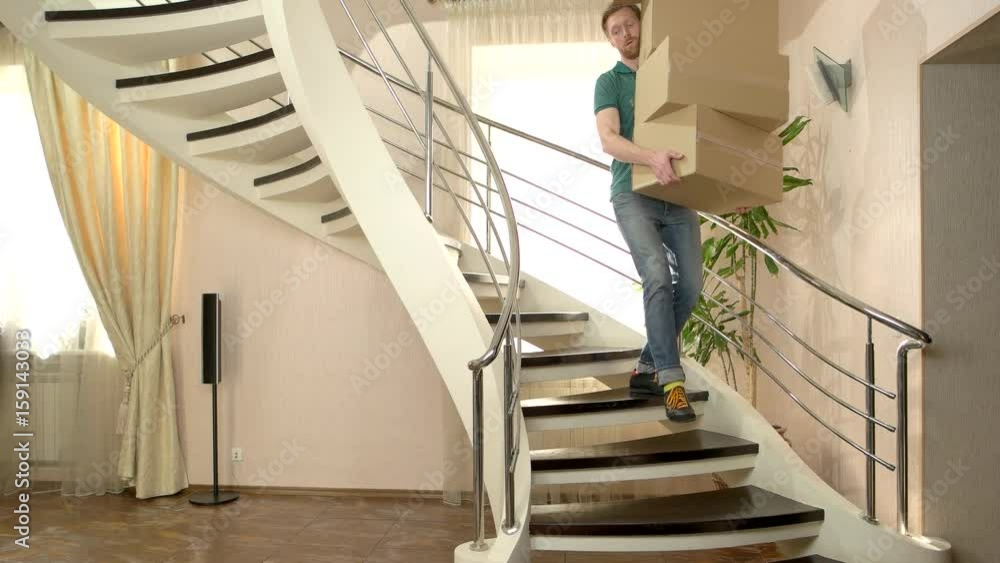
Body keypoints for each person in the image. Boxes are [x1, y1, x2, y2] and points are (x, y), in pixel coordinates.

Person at [594, 2, 703, 423]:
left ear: (644, 25)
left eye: (629, 25)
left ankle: (645, 365)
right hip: (632, 193)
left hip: (678, 194)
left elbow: (701, 133)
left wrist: (730, 190)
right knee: (656, 273)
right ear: (610, 39)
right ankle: (672, 384)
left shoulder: (675, 71)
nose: (624, 34)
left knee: (691, 285)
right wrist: (650, 157)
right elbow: (608, 139)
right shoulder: (609, 82)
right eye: (615, 30)